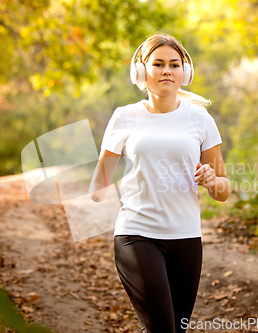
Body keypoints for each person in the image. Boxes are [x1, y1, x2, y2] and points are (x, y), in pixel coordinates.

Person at [89, 32, 230, 333]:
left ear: (185, 73)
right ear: (141, 71)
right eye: (158, 63)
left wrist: (210, 179)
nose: (167, 70)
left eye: (174, 64)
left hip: (186, 237)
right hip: (136, 233)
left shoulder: (200, 119)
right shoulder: (124, 116)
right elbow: (99, 183)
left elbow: (223, 191)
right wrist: (96, 187)